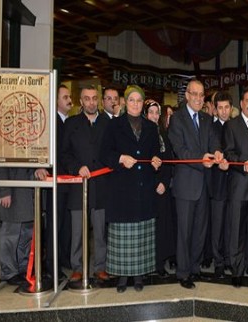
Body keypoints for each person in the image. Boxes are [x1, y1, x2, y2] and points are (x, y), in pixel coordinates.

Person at [100, 85, 162, 293]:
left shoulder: (151, 127)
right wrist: (120, 158)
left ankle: (138, 275)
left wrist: (156, 160)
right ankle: (122, 276)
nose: (135, 104)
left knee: (141, 235)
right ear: (125, 102)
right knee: (122, 237)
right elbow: (104, 154)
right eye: (132, 100)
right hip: (121, 189)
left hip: (143, 188)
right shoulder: (114, 125)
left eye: (139, 101)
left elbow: (155, 153)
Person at [168, 79, 227, 289]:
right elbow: (180, 151)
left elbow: (214, 142)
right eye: (195, 94)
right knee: (184, 231)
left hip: (204, 184)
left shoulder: (206, 118)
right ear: (187, 95)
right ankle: (183, 273)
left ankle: (194, 267)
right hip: (185, 185)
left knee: (200, 231)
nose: (199, 98)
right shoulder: (177, 119)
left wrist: (218, 151)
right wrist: (201, 158)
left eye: (202, 95)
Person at [60, 85, 110, 282]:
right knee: (78, 231)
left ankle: (100, 267)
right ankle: (77, 267)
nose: (91, 102)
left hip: (101, 186)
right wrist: (76, 167)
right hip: (78, 186)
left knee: (100, 232)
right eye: (86, 98)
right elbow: (64, 153)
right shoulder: (71, 124)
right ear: (80, 101)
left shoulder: (107, 123)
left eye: (94, 98)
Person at [223, 86, 248, 287]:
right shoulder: (232, 125)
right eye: (247, 101)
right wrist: (242, 165)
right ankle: (237, 269)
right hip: (239, 186)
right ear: (241, 103)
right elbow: (229, 154)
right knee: (237, 230)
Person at [37, 84, 72, 280]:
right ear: (56, 100)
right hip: (55, 182)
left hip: (68, 182)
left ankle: (62, 259)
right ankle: (51, 265)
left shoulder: (68, 122)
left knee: (64, 225)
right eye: (65, 97)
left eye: (69, 96)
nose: (69, 100)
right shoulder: (51, 123)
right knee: (54, 226)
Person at [143, 99, 175, 278]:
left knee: (163, 227)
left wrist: (164, 181)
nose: (154, 116)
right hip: (149, 188)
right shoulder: (142, 133)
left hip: (164, 187)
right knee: (150, 228)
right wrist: (155, 183)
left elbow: (169, 160)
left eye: (157, 113)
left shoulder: (163, 132)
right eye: (151, 112)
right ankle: (149, 264)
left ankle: (160, 263)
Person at [0, 168, 35, 286]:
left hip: (26, 191)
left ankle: (23, 269)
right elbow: (0, 165)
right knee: (10, 234)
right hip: (12, 191)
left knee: (26, 234)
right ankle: (9, 272)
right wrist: (4, 191)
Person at [209, 91, 233, 279]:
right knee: (217, 225)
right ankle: (218, 262)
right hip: (216, 183)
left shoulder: (237, 126)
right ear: (215, 109)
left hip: (234, 184)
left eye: (227, 107)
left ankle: (229, 259)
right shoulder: (210, 128)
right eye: (220, 108)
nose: (224, 111)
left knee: (231, 225)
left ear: (231, 108)